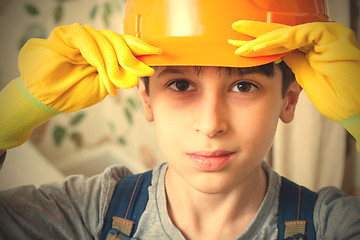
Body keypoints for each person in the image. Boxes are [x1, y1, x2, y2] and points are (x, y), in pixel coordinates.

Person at [0, 0, 360, 239]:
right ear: (147, 98)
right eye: (181, 84)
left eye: (244, 85)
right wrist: (12, 113)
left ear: (289, 100)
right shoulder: (90, 212)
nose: (210, 123)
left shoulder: (329, 225)